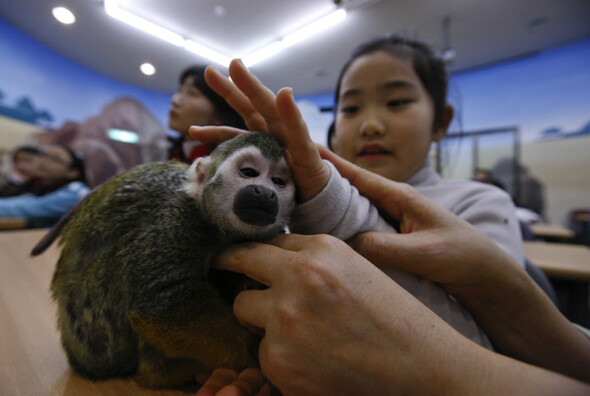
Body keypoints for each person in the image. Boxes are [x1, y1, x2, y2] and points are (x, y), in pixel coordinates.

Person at [189, 59, 590, 394]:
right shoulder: (294, 202)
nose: (371, 125)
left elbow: (484, 348)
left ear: (441, 122)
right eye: (350, 109)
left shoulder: (476, 201)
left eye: (397, 102)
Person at [168, 65, 247, 164]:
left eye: (191, 93)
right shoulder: (171, 153)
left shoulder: (230, 163)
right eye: (179, 90)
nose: (175, 100)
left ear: (220, 115)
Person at [0, 144, 89, 227]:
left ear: (73, 172)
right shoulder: (45, 187)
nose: (44, 162)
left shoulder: (75, 193)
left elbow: (25, 209)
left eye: (55, 159)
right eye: (45, 156)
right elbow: (23, 202)